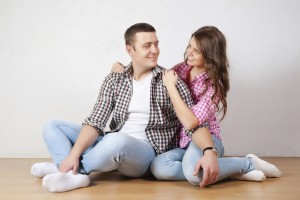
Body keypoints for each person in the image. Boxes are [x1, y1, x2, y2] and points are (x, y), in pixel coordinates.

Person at [30, 22, 194, 192]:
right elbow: (95, 121)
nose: (155, 50)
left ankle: (70, 171)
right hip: (111, 143)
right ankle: (67, 167)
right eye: (147, 45)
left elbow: (191, 123)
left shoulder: (170, 81)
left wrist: (207, 151)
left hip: (145, 153)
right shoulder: (115, 79)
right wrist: (73, 155)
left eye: (156, 44)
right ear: (130, 50)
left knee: (117, 140)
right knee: (53, 126)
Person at [111, 26, 282, 188]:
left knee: (194, 175)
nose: (189, 53)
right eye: (189, 47)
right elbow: (154, 75)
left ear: (210, 55)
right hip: (181, 143)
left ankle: (247, 163)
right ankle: (228, 172)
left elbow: (192, 122)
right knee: (159, 168)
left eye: (197, 51)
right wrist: (125, 67)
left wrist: (171, 87)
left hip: (206, 140)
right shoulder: (182, 68)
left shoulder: (215, 86)